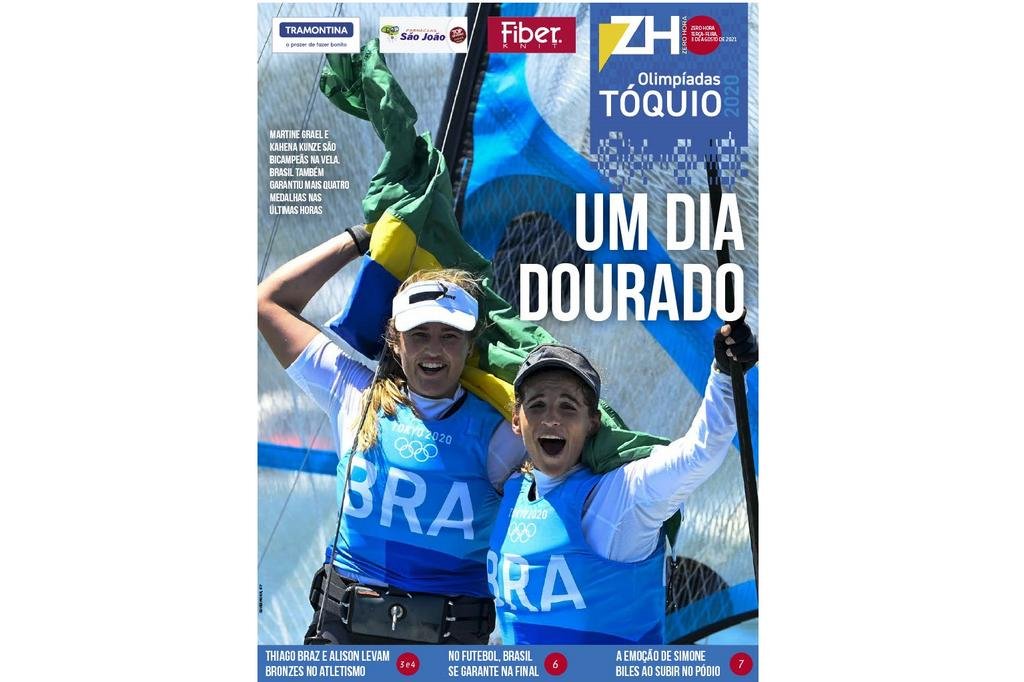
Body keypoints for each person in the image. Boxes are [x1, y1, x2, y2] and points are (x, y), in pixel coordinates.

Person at [257, 226, 524, 644]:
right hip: (344, 635)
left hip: (447, 647)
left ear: (470, 346)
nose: (433, 349)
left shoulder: (506, 430)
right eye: (419, 335)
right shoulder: (353, 394)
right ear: (395, 342)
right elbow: (268, 304)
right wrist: (367, 235)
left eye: (449, 336)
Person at [487, 316, 758, 644]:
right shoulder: (510, 489)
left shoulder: (619, 498)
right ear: (517, 420)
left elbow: (700, 453)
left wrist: (725, 374)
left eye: (568, 407)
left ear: (592, 423)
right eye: (537, 405)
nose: (552, 418)